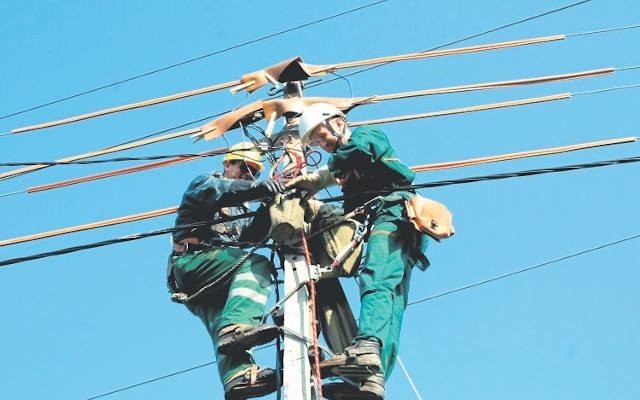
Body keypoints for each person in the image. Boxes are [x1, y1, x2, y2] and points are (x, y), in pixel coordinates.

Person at [287, 103, 429, 400]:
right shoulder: (349, 172)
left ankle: (366, 345)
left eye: (323, 136)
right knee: (391, 303)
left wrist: (317, 179)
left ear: (338, 122)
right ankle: (372, 380)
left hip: (393, 214)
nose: (324, 145)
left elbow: (358, 150)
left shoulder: (366, 136)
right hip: (394, 225)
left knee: (375, 278)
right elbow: (351, 214)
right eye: (318, 142)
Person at [168, 142, 286, 400]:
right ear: (228, 164)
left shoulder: (240, 211)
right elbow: (223, 191)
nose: (248, 175)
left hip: (211, 276)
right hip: (194, 261)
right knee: (256, 264)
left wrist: (268, 205)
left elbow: (249, 237)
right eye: (245, 168)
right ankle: (237, 327)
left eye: (254, 173)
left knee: (224, 324)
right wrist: (258, 188)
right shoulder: (205, 183)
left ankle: (238, 376)